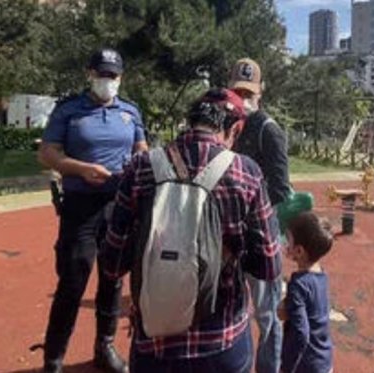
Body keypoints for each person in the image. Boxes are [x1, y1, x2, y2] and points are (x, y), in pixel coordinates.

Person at [101, 88, 282, 372]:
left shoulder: (141, 167)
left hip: (155, 344)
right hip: (223, 340)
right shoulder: (247, 173)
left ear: (191, 119)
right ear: (234, 128)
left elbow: (112, 264)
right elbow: (269, 266)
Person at [37, 48, 147, 373]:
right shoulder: (69, 110)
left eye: (112, 75)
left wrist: (137, 161)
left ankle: (105, 348)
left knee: (113, 279)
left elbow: (141, 147)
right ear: (90, 74)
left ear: (120, 78)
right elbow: (47, 153)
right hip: (81, 206)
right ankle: (54, 358)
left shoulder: (131, 111)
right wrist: (80, 168)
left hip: (120, 205)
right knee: (72, 281)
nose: (107, 80)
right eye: (102, 74)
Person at [228, 57, 291, 373]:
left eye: (249, 94)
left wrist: (250, 208)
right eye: (239, 93)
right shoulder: (231, 129)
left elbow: (281, 190)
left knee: (266, 315)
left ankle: (269, 368)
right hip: (231, 235)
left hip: (262, 234)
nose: (244, 100)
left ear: (260, 93)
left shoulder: (269, 130)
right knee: (233, 308)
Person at [278, 212, 333, 373]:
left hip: (305, 365)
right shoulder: (321, 275)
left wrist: (287, 368)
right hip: (323, 359)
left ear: (299, 251)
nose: (284, 244)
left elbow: (301, 333)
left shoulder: (299, 285)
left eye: (288, 240)